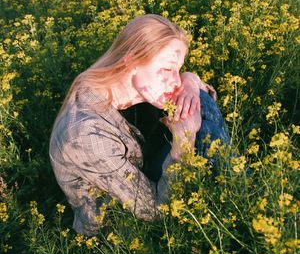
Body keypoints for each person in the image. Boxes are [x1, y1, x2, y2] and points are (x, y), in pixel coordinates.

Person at [49, 14, 231, 236]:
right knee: (200, 126)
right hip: (123, 226)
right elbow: (154, 210)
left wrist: (191, 81)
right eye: (166, 69)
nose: (174, 80)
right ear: (132, 60)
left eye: (178, 69)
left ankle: (233, 191)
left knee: (195, 101)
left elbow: (204, 97)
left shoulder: (128, 85)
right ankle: (235, 198)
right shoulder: (86, 135)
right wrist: (184, 141)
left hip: (143, 169)